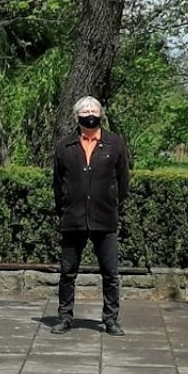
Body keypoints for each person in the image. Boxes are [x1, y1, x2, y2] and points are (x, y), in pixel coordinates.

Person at [51, 96, 132, 335]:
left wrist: (112, 203)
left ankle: (110, 319)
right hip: (73, 218)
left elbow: (123, 181)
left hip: (104, 218)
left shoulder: (115, 144)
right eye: (85, 110)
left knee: (110, 273)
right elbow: (57, 183)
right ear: (77, 116)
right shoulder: (64, 146)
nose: (89, 113)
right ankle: (65, 317)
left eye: (93, 109)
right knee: (67, 272)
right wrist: (64, 207)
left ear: (101, 114)